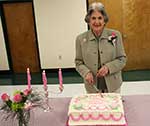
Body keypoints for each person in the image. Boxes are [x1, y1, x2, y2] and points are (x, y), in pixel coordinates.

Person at [75, 2, 127, 93]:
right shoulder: (80, 39)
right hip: (92, 86)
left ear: (104, 20)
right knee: (95, 107)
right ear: (88, 20)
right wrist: (86, 72)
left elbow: (122, 59)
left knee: (113, 107)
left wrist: (108, 67)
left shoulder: (115, 35)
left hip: (113, 85)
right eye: (93, 18)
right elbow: (78, 62)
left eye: (100, 18)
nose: (97, 22)